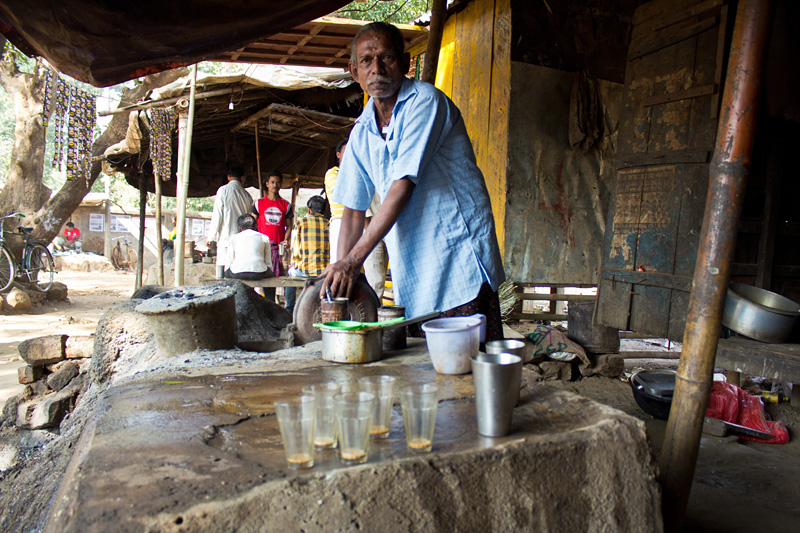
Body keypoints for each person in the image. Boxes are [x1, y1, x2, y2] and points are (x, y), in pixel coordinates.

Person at [322, 21, 505, 340]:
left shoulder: (426, 102)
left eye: (387, 58)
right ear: (354, 71)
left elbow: (401, 187)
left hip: (458, 258)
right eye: (366, 60)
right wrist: (340, 273)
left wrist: (354, 260)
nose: (376, 68)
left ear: (405, 64)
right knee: (427, 377)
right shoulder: (363, 132)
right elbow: (352, 210)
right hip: (416, 269)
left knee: (472, 372)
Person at [325, 139, 388, 300]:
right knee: (372, 279)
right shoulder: (336, 173)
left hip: (381, 226)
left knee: (376, 277)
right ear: (338, 155)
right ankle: (366, 314)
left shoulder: (372, 169)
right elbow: (354, 204)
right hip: (362, 227)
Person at [284, 195, 329, 314]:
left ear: (309, 210)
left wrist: (297, 264)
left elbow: (295, 252)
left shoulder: (300, 224)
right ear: (324, 211)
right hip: (325, 272)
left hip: (305, 271)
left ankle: (289, 308)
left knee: (290, 272)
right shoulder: (330, 224)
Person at [206, 165, 254, 271]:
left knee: (223, 273)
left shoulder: (223, 190)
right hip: (242, 241)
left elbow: (217, 215)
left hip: (226, 239)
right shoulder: (247, 196)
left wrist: (211, 237)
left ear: (228, 177)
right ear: (242, 178)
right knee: (238, 272)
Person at [252, 171, 293, 277]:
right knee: (261, 275)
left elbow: (289, 226)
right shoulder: (258, 203)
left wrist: (286, 239)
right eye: (272, 182)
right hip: (261, 246)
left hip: (278, 248)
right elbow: (252, 223)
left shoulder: (286, 205)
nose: (275, 185)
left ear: (281, 185)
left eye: (278, 183)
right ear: (267, 184)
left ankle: (276, 294)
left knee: (278, 276)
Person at [224, 214, 273, 280]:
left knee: (226, 273)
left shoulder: (233, 238)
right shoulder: (264, 237)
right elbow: (268, 262)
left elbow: (230, 260)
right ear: (255, 225)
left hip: (237, 273)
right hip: (258, 273)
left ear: (240, 228)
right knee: (271, 274)